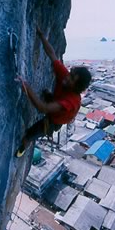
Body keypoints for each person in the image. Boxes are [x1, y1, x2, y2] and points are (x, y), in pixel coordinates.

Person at [15, 27, 91, 157]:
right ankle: (49, 96)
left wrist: (25, 86)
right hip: (56, 104)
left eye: (72, 77)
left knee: (29, 134)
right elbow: (52, 54)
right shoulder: (66, 78)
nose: (67, 76)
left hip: (54, 121)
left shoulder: (71, 102)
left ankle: (22, 149)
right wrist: (41, 35)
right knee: (46, 93)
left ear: (76, 86)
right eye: (71, 73)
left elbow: (43, 108)